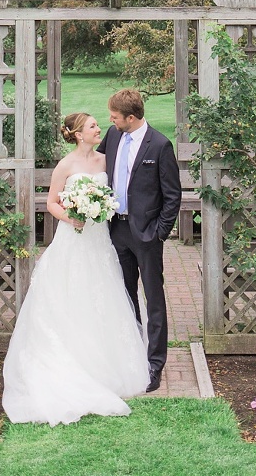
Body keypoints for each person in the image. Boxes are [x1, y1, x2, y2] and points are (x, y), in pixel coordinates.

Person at [2, 111, 149, 425]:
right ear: (79, 134)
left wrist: (103, 207)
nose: (100, 129)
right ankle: (69, 362)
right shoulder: (66, 165)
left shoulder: (105, 161)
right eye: (94, 126)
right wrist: (72, 217)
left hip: (100, 243)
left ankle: (103, 366)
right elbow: (52, 202)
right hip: (73, 240)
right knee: (70, 299)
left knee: (102, 298)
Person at [98, 89, 182, 392]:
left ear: (130, 118)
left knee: (154, 299)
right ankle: (131, 356)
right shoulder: (112, 135)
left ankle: (154, 363)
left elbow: (172, 196)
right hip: (116, 230)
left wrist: (159, 232)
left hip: (146, 235)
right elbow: (98, 168)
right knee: (124, 296)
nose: (111, 120)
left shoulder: (159, 145)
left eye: (115, 116)